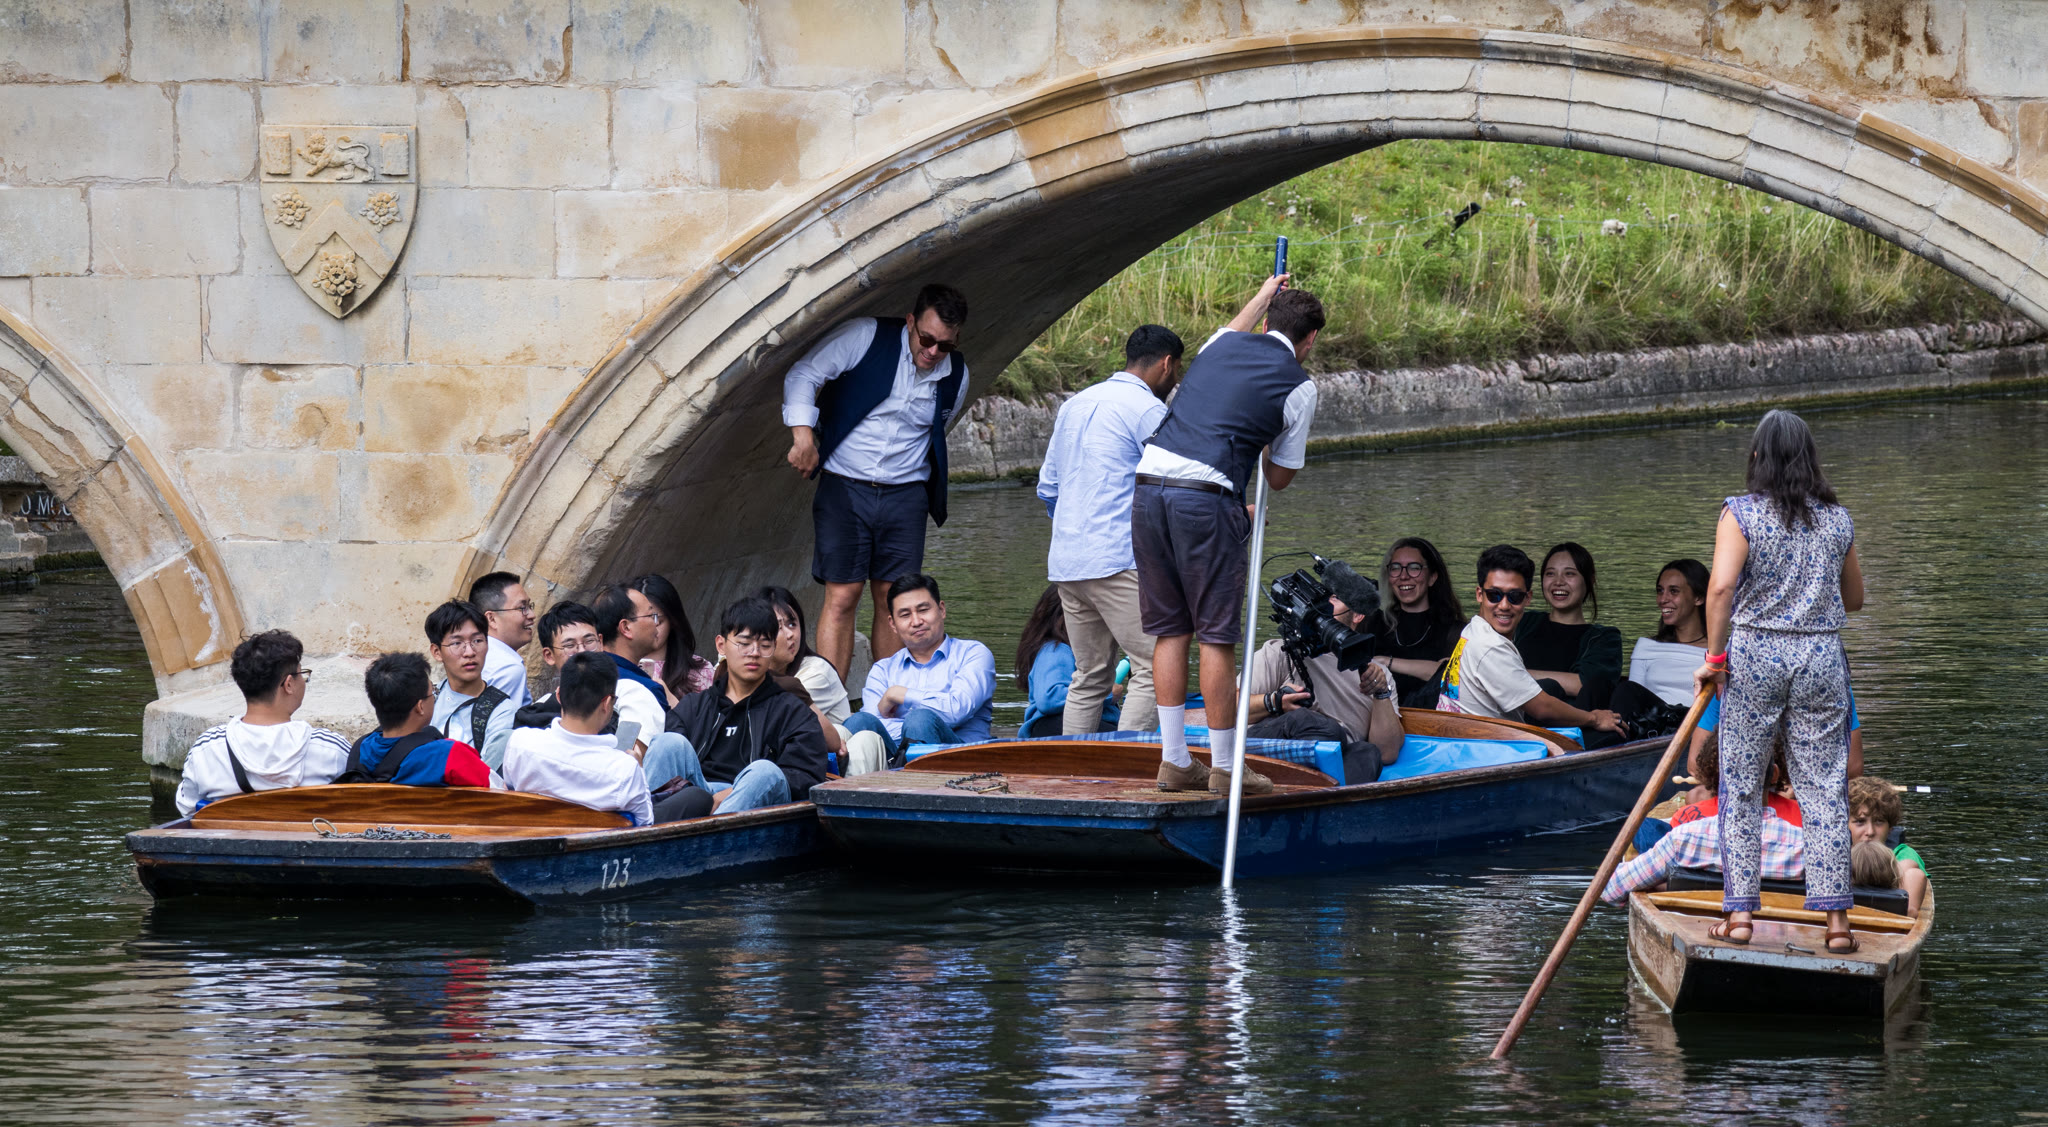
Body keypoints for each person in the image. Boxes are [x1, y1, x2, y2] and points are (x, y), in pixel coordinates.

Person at [1133, 275, 1323, 797]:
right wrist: (1263, 436)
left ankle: (1175, 761)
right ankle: (1224, 768)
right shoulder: (1300, 387)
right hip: (1204, 500)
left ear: (1265, 323)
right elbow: (1278, 478)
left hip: (1147, 488)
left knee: (1171, 631)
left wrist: (1264, 292)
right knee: (1215, 636)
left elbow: (1236, 325)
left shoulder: (1220, 344)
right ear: (1310, 340)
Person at [1694, 409, 1865, 952]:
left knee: (1742, 786)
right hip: (1820, 657)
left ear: (1756, 458)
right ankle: (1837, 924)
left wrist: (1714, 658)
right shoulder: (1838, 520)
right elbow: (1854, 600)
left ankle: (1740, 916)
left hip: (1755, 657)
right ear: (1811, 460)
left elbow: (1720, 589)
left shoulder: (1740, 513)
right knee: (1824, 789)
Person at [782, 283, 972, 681]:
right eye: (926, 339)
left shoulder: (956, 374)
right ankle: (831, 701)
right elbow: (804, 373)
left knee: (895, 600)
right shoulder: (865, 336)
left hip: (906, 496)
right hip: (845, 487)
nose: (933, 352)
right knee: (842, 594)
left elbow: (938, 429)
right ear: (910, 322)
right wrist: (803, 435)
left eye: (945, 345)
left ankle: (887, 701)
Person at [1036, 323, 1181, 735]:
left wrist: (1077, 530)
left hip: (1068, 563)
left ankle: (1076, 768)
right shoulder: (1149, 410)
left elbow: (1048, 488)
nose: (1176, 381)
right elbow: (1173, 483)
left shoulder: (1074, 405)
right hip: (1117, 560)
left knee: (1089, 674)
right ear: (1166, 364)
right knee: (1154, 665)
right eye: (1177, 371)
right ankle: (1127, 763)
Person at [1437, 545, 1630, 744]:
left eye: (1515, 596)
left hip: (1474, 738)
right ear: (1479, 594)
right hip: (1486, 747)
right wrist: (1594, 718)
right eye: (1494, 595)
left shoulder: (1474, 629)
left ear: (1527, 598)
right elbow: (1542, 708)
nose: (1504, 605)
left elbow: (1588, 685)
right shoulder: (1492, 645)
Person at [661, 597, 833, 814]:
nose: (755, 653)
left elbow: (805, 777)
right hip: (697, 794)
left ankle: (712, 832)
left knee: (765, 772)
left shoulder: (792, 712)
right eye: (744, 644)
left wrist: (736, 790)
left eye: (765, 645)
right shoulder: (694, 706)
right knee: (667, 742)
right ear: (721, 645)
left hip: (754, 802)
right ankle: (641, 826)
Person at [501, 652, 710, 825]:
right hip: (600, 842)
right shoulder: (623, 767)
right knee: (698, 797)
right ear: (607, 703)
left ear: (558, 695)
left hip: (537, 830)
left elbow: (508, 789)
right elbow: (645, 824)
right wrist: (638, 767)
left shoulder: (520, 742)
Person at [1240, 567, 1406, 784]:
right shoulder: (1279, 651)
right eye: (1321, 598)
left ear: (1357, 614)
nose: (1323, 606)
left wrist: (1381, 693)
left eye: (1334, 598)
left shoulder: (1377, 674)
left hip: (1331, 761)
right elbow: (1230, 707)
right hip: (1273, 751)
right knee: (1315, 724)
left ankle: (1327, 800)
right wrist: (1275, 701)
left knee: (1368, 754)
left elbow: (1387, 753)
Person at [175, 630, 350, 816]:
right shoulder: (330, 749)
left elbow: (187, 807)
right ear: (289, 684)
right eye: (301, 674)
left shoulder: (208, 749)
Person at [843, 574, 996, 758]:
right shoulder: (883, 670)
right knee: (859, 722)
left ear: (941, 610)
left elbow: (957, 710)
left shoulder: (973, 654)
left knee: (920, 720)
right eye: (905, 615)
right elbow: (874, 723)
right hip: (893, 757)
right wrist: (909, 726)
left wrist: (900, 694)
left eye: (923, 610)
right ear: (893, 624)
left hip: (959, 759)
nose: (916, 622)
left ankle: (910, 771)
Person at [346, 652, 502, 788]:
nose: (434, 697)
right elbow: (499, 791)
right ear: (420, 706)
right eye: (433, 692)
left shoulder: (358, 751)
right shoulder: (448, 755)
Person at [1601, 805, 1804, 904]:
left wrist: (1658, 884)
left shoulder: (1685, 837)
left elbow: (1610, 889)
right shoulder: (1808, 844)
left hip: (1701, 922)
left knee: (1646, 828)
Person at [1515, 542, 1622, 711]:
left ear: (1590, 580)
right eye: (1550, 574)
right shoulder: (1523, 621)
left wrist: (1515, 674)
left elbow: (1585, 684)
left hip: (1571, 721)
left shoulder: (1604, 637)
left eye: (1569, 573)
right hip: (1512, 716)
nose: (1558, 582)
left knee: (1551, 689)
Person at [1368, 537, 1464, 705]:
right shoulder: (1375, 623)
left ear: (1432, 577)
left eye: (1414, 568)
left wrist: (1386, 662)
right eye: (1395, 568)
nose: (1404, 576)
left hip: (1427, 715)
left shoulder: (1454, 630)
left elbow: (1448, 678)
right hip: (1378, 713)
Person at [1015, 585, 1119, 738]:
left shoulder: (1072, 651)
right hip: (1053, 725)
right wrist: (1108, 694)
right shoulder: (1056, 650)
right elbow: (1048, 699)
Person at [425, 600, 515, 768]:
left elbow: (488, 775)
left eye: (477, 641)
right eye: (456, 643)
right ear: (437, 652)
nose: (469, 652)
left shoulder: (502, 710)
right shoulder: (427, 700)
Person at [591, 583, 671, 757]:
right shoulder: (642, 690)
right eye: (651, 615)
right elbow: (636, 759)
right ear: (626, 627)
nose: (656, 623)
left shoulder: (584, 675)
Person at [1623, 559, 1711, 707]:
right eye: (1660, 591)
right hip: (1652, 718)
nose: (1662, 599)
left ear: (1698, 598)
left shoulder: (1719, 653)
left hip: (1694, 718)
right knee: (1622, 689)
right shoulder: (1647, 647)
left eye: (1673, 591)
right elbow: (1632, 698)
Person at [513, 601, 605, 729]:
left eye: (589, 641)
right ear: (549, 656)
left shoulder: (625, 697)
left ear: (600, 642)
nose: (582, 651)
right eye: (570, 645)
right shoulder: (533, 719)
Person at [1849, 774, 1928, 916]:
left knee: (1913, 873)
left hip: (1893, 916)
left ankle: (1907, 915)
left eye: (1879, 821)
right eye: (1860, 822)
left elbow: (1908, 870)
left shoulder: (1903, 854)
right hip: (1847, 912)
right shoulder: (1837, 851)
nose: (1870, 832)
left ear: (1890, 827)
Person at [631, 573, 714, 699]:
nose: (651, 628)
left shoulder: (701, 672)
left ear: (672, 619)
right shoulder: (615, 670)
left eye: (657, 620)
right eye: (643, 620)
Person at [468, 571, 535, 707]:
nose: (532, 615)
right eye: (522, 608)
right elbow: (496, 720)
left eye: (530, 606)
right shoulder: (508, 668)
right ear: (491, 619)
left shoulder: (470, 656)